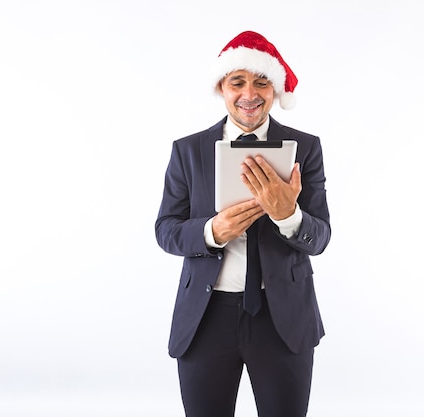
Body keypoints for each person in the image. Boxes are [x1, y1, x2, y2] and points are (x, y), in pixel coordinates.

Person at [155, 30, 331, 417]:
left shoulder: (306, 148)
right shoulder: (188, 151)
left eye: (261, 82)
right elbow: (166, 229)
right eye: (238, 82)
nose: (249, 94)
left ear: (275, 90)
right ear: (222, 87)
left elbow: (320, 238)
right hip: (206, 317)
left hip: (282, 316)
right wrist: (211, 231)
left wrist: (289, 214)